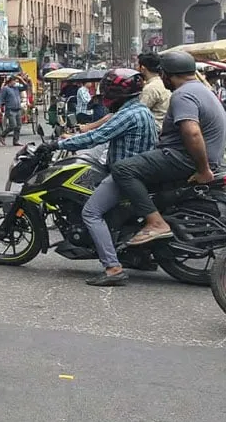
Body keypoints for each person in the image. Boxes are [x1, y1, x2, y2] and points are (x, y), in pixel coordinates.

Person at [45, 68, 157, 286]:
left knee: (91, 212)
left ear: (117, 94)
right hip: (137, 171)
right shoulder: (140, 109)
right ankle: (136, 255)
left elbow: (97, 136)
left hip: (125, 175)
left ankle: (113, 268)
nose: (105, 97)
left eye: (107, 92)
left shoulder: (128, 114)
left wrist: (57, 144)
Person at [111, 50, 226, 245]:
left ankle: (156, 223)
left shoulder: (183, 95)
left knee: (122, 169)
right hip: (203, 157)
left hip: (183, 159)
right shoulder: (204, 90)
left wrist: (203, 170)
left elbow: (192, 132)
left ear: (166, 75)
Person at [0, 75, 26, 146]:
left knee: (18, 126)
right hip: (10, 110)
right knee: (13, 125)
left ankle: (16, 141)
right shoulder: (5, 89)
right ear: (10, 81)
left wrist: (21, 79)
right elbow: (0, 99)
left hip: (18, 109)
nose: (15, 82)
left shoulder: (16, 88)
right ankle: (2, 135)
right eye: (14, 81)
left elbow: (25, 87)